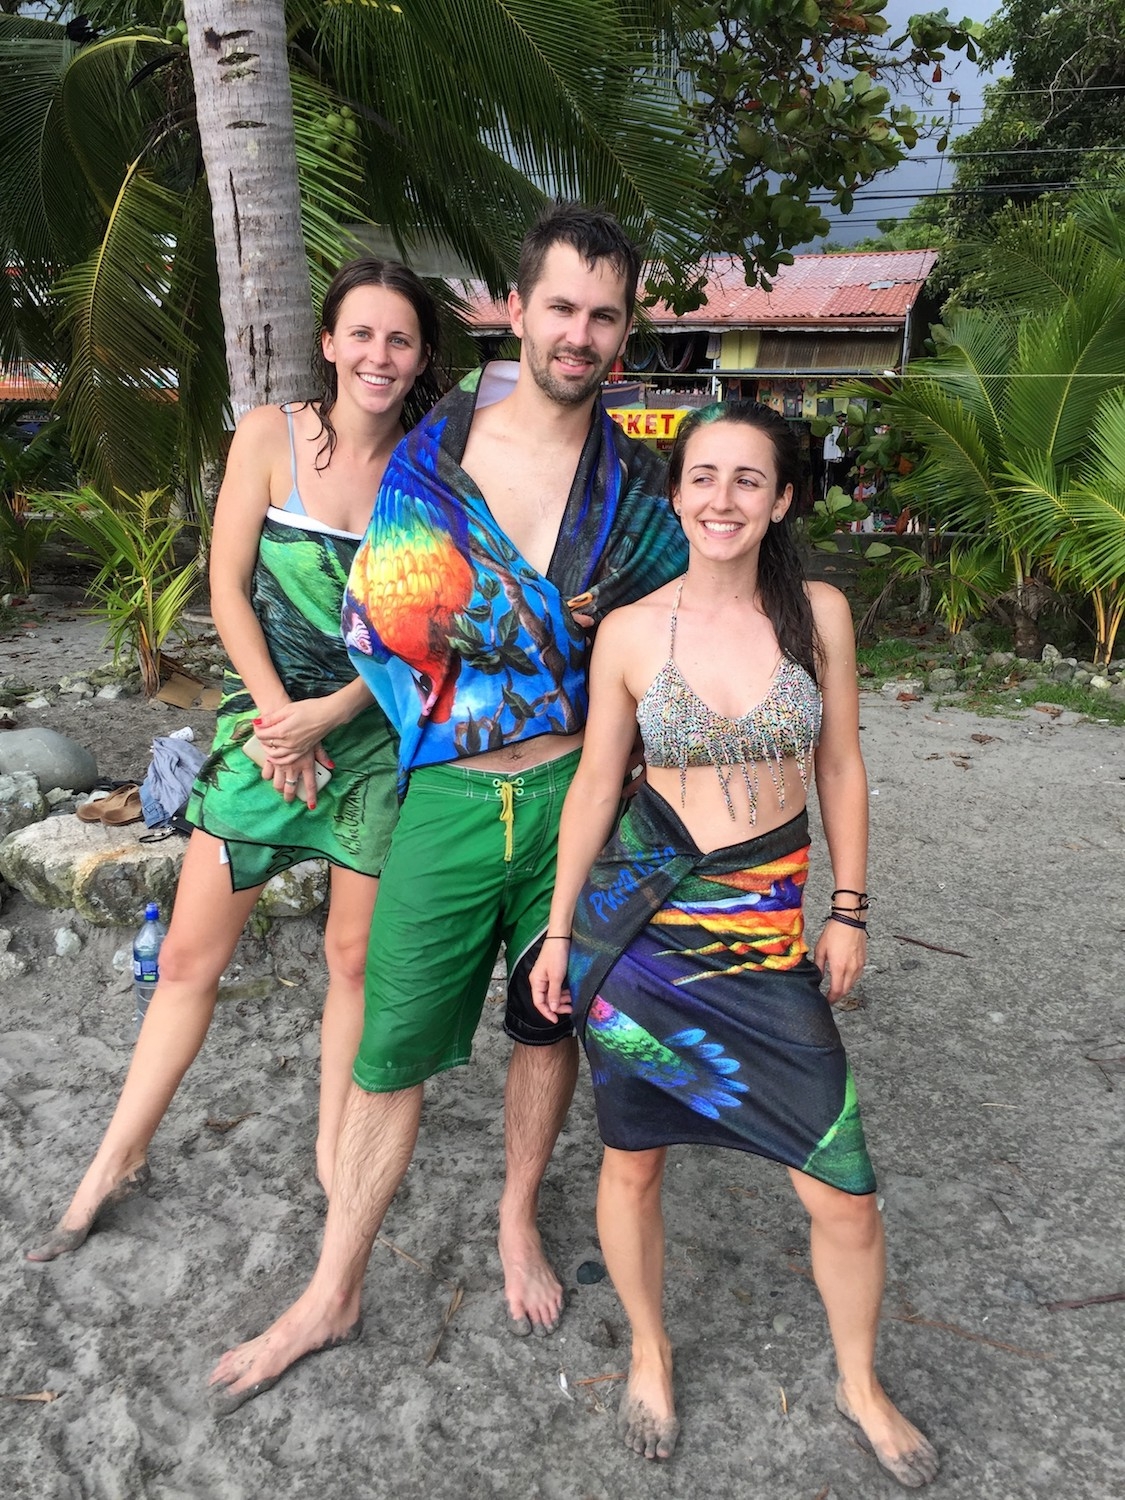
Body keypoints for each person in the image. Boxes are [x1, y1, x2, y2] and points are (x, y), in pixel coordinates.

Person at [207, 203, 689, 1413]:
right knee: (391, 1052)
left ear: (625, 334)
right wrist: (557, 635)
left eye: (605, 314)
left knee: (548, 1028)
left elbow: (658, 636)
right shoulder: (439, 454)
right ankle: (335, 1284)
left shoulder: (633, 484)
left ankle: (517, 1216)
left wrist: (539, 641)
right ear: (517, 311)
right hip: (452, 798)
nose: (580, 334)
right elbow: (394, 626)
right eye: (562, 307)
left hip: (579, 799)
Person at [528, 402, 940, 1487]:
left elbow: (840, 767)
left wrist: (849, 907)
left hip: (765, 950)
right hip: (646, 947)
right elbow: (591, 788)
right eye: (702, 477)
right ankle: (651, 1354)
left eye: (747, 480)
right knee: (633, 1162)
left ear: (783, 500)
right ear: (678, 496)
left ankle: (859, 1383)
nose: (722, 498)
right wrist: (560, 933)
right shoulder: (628, 631)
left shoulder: (819, 615)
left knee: (843, 1188)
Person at [26, 258, 440, 1262]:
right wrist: (274, 717)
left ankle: (331, 1154)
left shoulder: (430, 470)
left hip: (375, 739)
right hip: (258, 734)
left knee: (352, 963)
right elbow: (225, 588)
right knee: (186, 961)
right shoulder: (269, 436)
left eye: (402, 338)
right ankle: (114, 1157)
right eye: (364, 334)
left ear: (421, 356)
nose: (380, 355)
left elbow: (422, 631)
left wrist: (329, 715)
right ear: (331, 343)